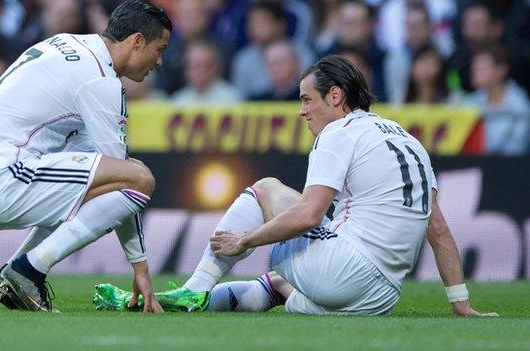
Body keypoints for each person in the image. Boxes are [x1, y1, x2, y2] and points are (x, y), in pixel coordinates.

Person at [97, 55, 498, 317]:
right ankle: (177, 304)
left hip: (345, 272)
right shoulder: (407, 139)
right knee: (278, 285)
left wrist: (247, 241)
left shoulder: (340, 133)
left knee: (267, 187)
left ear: (336, 96)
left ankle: (194, 288)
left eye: (307, 100)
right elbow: (439, 230)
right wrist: (461, 304)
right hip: (380, 299)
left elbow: (307, 215)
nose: (302, 111)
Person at [0, 0, 171, 313]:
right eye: (160, 49)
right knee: (139, 176)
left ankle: (12, 271)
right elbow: (129, 183)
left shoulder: (69, 44)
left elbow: (108, 181)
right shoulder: (99, 79)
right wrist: (141, 266)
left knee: (104, 183)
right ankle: (27, 271)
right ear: (137, 41)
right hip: (1, 177)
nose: (160, 61)